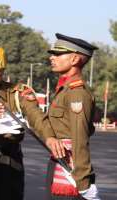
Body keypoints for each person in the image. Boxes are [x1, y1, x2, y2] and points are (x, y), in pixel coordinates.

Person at [0, 44, 65, 200]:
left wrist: (49, 137)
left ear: (3, 70)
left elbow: (37, 117)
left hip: (10, 161)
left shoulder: (18, 92)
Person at [46, 33, 100, 200]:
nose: (52, 57)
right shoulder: (64, 89)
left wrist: (83, 180)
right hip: (58, 161)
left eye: (58, 53)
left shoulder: (77, 93)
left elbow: (79, 138)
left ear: (75, 59)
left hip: (70, 167)